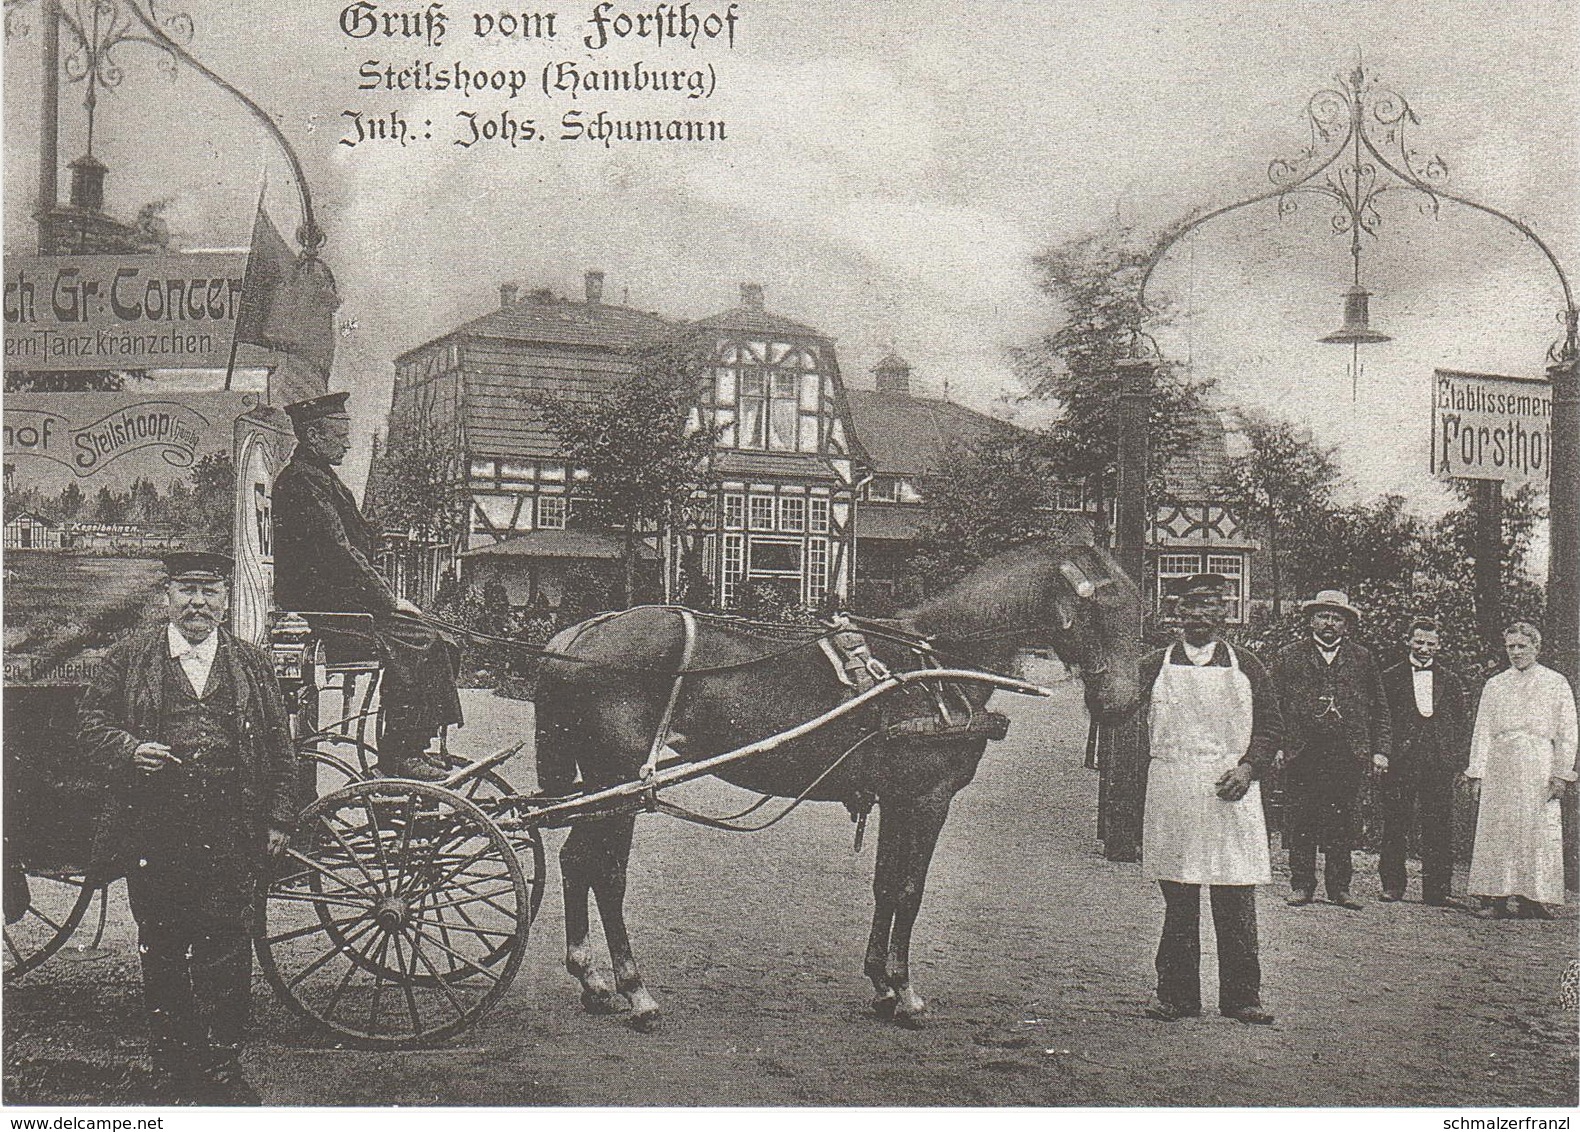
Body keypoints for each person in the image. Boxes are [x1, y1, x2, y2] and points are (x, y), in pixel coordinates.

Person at [78, 551, 295, 1104]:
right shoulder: (131, 658)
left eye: (210, 592)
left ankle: (222, 1067)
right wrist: (129, 750)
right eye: (186, 591)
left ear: (226, 599)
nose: (198, 604)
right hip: (156, 829)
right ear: (166, 596)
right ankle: (173, 1067)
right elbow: (89, 724)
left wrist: (277, 818)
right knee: (164, 946)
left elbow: (279, 747)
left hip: (231, 829)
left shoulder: (251, 663)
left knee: (227, 947)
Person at [271, 391, 463, 781]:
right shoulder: (303, 482)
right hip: (320, 610)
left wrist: (390, 600)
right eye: (339, 432)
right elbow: (338, 552)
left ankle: (417, 744)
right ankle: (399, 753)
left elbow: (353, 550)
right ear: (311, 435)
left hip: (338, 604)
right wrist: (389, 601)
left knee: (444, 643)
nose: (348, 441)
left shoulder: (320, 478)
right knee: (420, 640)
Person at [1140, 574, 1283, 1025]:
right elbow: (1116, 708)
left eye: (1210, 607)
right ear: (1177, 614)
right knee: (1179, 896)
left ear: (1224, 614)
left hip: (1230, 789)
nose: (1200, 616)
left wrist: (1248, 768)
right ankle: (1177, 995)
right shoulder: (1153, 665)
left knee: (1235, 893)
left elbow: (1272, 728)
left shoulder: (1248, 666)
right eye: (1191, 607)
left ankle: (1242, 997)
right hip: (1175, 787)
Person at [1271, 589, 1392, 910]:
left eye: (1336, 618)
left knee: (1342, 822)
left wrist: (1380, 750)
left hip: (1346, 753)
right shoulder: (1290, 656)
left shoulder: (1362, 658)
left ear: (1347, 624)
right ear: (1311, 620)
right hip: (1303, 751)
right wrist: (1278, 746)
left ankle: (1340, 888)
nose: (1329, 623)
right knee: (1302, 820)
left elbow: (1379, 708)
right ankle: (1301, 885)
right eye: (1323, 616)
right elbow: (1274, 705)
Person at [1463, 622, 1578, 920]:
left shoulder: (1555, 682)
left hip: (1539, 762)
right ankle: (1495, 897)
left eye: (1521, 646)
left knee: (1537, 828)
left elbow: (1567, 731)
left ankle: (1534, 897)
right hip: (1501, 762)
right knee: (1498, 828)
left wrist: (1562, 772)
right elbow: (1482, 730)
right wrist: (1477, 771)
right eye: (1510, 646)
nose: (1515, 652)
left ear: (1536, 648)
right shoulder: (1495, 684)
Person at [1378, 616, 1473, 906]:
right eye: (1419, 641)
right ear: (1408, 641)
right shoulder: (1390, 676)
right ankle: (1393, 886)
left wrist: (1457, 760)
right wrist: (1384, 752)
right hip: (1401, 761)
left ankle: (1437, 890)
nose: (1424, 648)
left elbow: (1460, 723)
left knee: (1439, 825)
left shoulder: (1450, 679)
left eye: (1431, 643)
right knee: (1396, 822)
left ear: (1439, 646)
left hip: (1437, 762)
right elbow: (1382, 718)